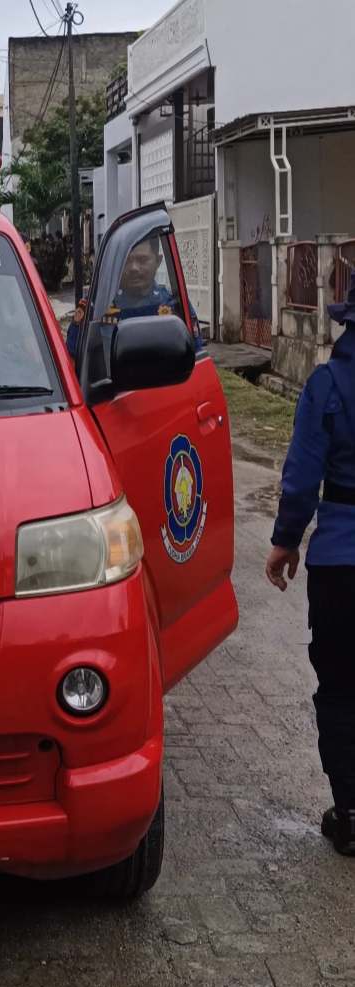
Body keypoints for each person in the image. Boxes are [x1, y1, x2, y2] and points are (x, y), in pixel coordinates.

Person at [266, 272, 355, 856]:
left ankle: (349, 812)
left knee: (343, 686)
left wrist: (285, 540)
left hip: (341, 563)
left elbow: (302, 476)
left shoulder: (327, 384)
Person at [65, 235, 204, 355]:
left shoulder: (174, 304)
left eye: (142, 260)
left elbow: (196, 356)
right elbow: (72, 356)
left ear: (158, 261)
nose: (134, 268)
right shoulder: (95, 306)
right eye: (127, 261)